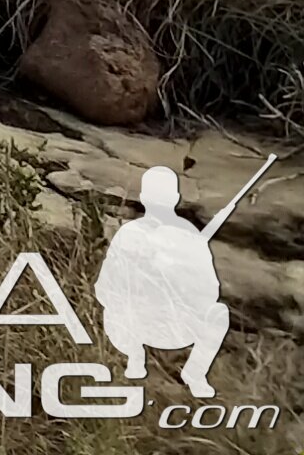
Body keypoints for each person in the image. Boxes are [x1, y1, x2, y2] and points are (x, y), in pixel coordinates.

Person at [96, 165, 230, 400]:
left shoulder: (186, 236)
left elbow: (209, 291)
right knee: (218, 313)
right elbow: (105, 288)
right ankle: (137, 358)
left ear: (144, 198)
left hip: (165, 326)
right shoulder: (133, 234)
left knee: (218, 312)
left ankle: (190, 372)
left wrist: (181, 276)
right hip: (141, 327)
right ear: (176, 198)